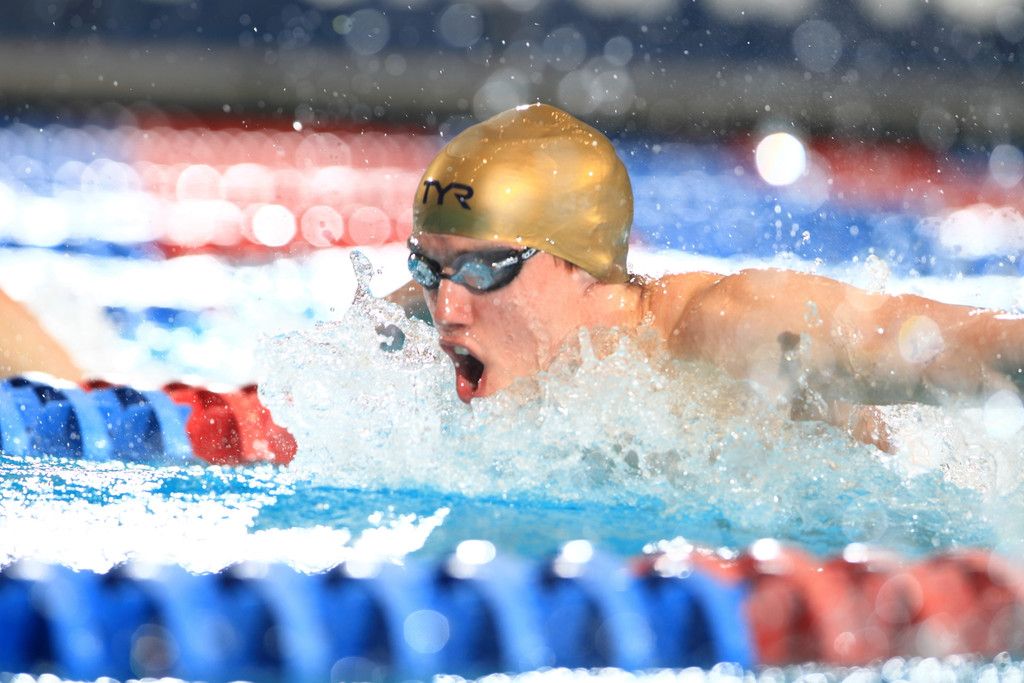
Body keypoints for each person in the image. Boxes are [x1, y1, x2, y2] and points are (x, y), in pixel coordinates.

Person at [398, 103, 1024, 450]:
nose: (447, 307)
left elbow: (925, 342)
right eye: (428, 266)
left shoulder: (724, 330)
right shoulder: (436, 311)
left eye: (484, 269)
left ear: (583, 265)